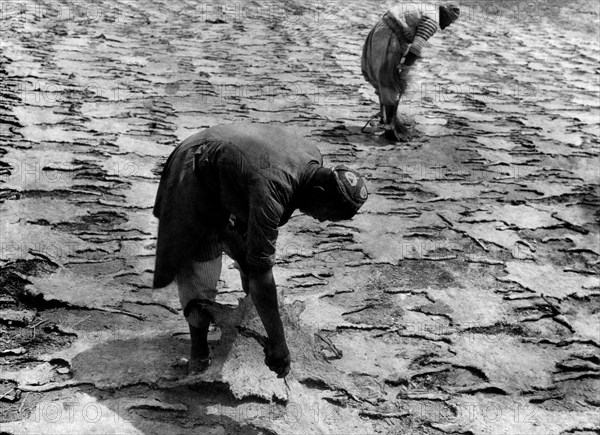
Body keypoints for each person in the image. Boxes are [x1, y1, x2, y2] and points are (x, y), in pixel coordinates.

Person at [153, 123, 368, 378]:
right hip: (194, 166)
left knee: (248, 254)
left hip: (232, 173)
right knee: (203, 268)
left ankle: (247, 325)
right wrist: (279, 342)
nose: (321, 221)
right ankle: (198, 355)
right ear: (319, 193)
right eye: (326, 215)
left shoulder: (313, 159)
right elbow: (262, 276)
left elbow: (253, 253)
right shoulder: (273, 191)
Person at [361, 2, 460, 141]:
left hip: (381, 29)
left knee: (382, 78)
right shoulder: (433, 20)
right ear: (444, 14)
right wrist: (404, 71)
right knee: (390, 82)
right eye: (450, 21)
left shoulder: (426, 9)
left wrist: (403, 68)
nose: (449, 25)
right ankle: (390, 127)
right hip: (389, 35)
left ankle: (385, 117)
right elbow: (415, 48)